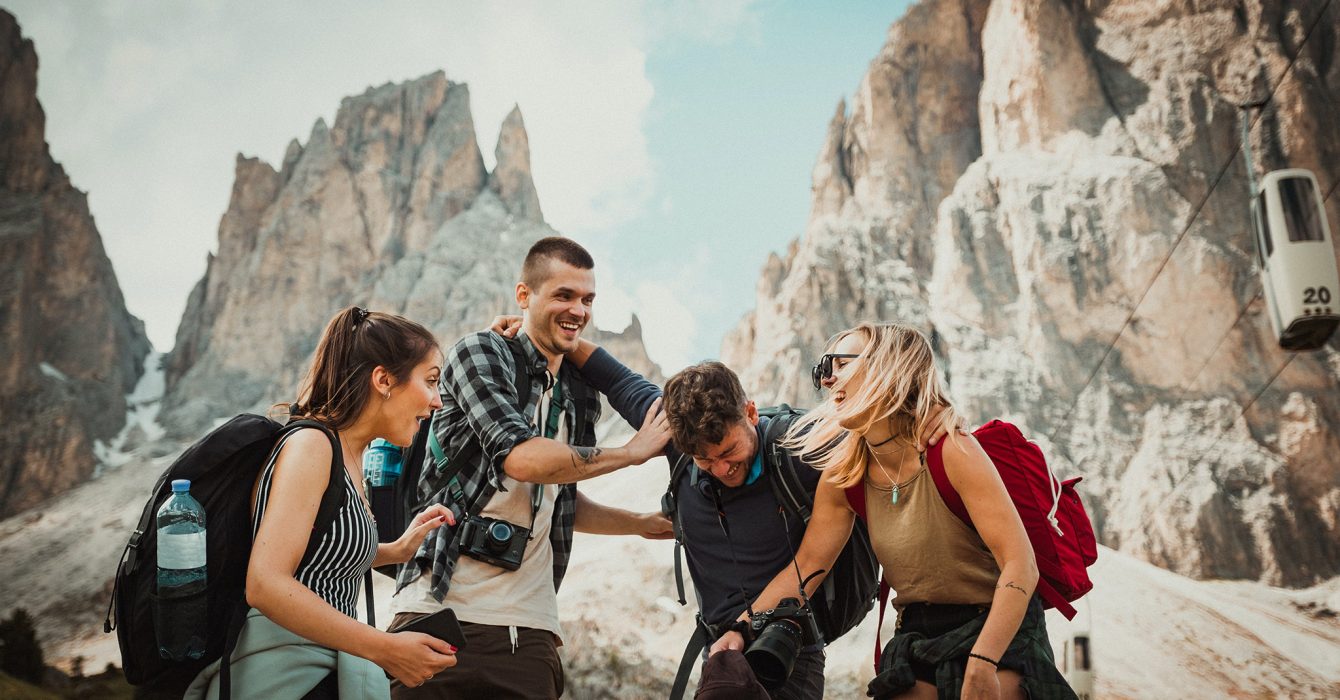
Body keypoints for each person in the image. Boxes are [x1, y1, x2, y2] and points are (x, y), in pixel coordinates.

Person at [482, 324, 953, 699]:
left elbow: (885, 421)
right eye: (706, 461)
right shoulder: (677, 440)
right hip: (719, 648)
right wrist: (537, 330)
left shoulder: (801, 446)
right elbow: (612, 376)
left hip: (787, 644)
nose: (722, 469)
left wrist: (937, 414)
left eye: (730, 451)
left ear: (750, 412)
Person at [712, 322, 1076, 700]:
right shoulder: (844, 477)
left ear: (888, 366)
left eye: (841, 364)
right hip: (917, 632)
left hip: (997, 627)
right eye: (825, 368)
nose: (828, 379)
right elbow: (804, 570)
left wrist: (984, 660)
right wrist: (741, 628)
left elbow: (1021, 565)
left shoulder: (950, 449)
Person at [388, 237, 674, 699]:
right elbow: (521, 459)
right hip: (439, 613)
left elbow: (559, 494)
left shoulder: (580, 395)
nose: (578, 310)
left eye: (587, 300)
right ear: (524, 296)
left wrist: (640, 524)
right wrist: (631, 453)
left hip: (531, 632)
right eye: (563, 295)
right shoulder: (479, 352)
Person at [186, 306, 460, 699]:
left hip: (319, 671)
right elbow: (265, 584)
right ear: (383, 379)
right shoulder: (313, 446)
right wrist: (386, 648)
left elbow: (316, 558)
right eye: (430, 381)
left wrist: (395, 550)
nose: (436, 401)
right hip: (281, 676)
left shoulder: (349, 457)